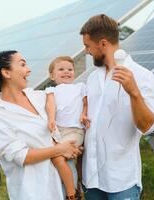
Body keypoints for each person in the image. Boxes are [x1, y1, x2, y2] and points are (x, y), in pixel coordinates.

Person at [0, 50, 82, 200]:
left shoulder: (39, 97)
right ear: (6, 73)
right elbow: (22, 156)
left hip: (66, 183)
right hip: (36, 191)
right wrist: (60, 149)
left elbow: (66, 118)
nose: (29, 69)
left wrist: (73, 146)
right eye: (22, 65)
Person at [79, 14, 154, 199]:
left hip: (121, 181)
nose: (86, 51)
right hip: (91, 179)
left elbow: (147, 127)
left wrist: (134, 92)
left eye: (87, 46)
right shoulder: (92, 78)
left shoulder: (142, 76)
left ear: (103, 44)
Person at [45, 56, 90, 199]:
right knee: (63, 160)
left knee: (58, 157)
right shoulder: (51, 90)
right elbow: (50, 105)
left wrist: (83, 114)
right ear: (52, 75)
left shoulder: (80, 87)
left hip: (75, 130)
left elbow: (85, 103)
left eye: (70, 69)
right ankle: (68, 189)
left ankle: (72, 194)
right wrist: (51, 118)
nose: (66, 72)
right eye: (61, 69)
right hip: (58, 131)